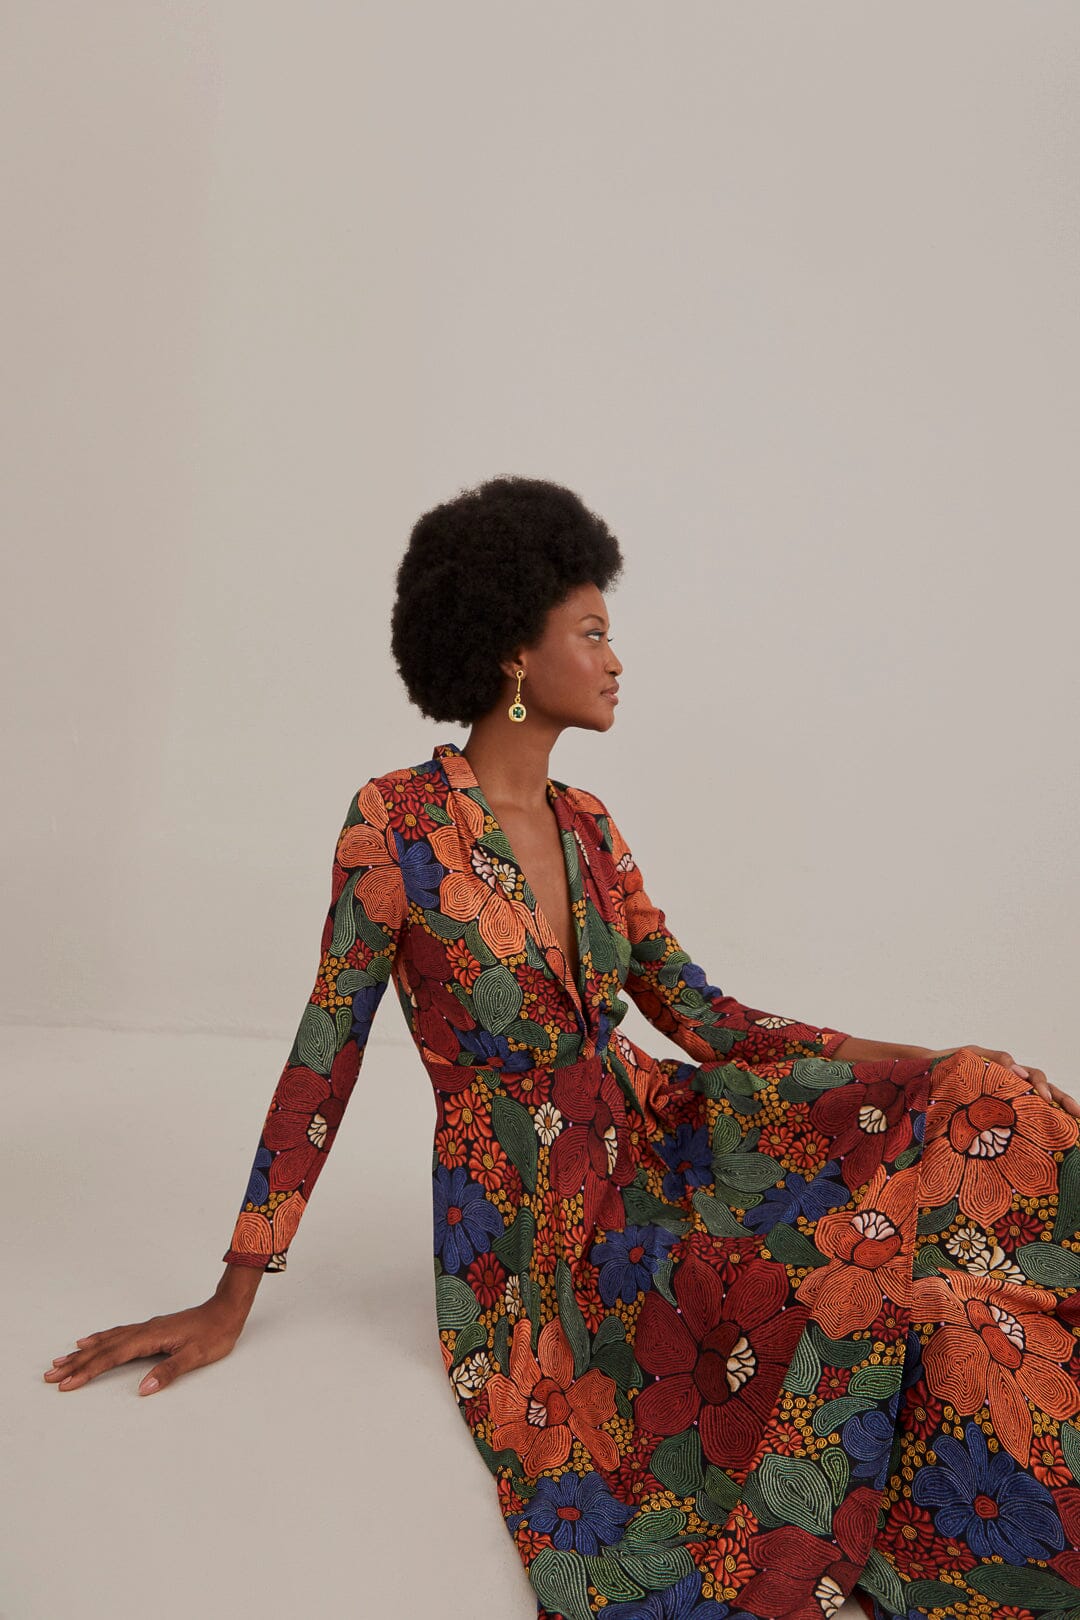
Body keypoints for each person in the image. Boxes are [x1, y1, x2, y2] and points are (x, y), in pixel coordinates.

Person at [44, 476, 1080, 1620]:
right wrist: (232, 1294)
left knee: (980, 1105)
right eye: (591, 632)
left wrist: (929, 1063)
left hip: (659, 1135)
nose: (616, 660)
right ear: (511, 653)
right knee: (838, 1318)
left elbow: (709, 1019)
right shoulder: (397, 827)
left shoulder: (591, 829)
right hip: (536, 1223)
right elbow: (323, 1055)